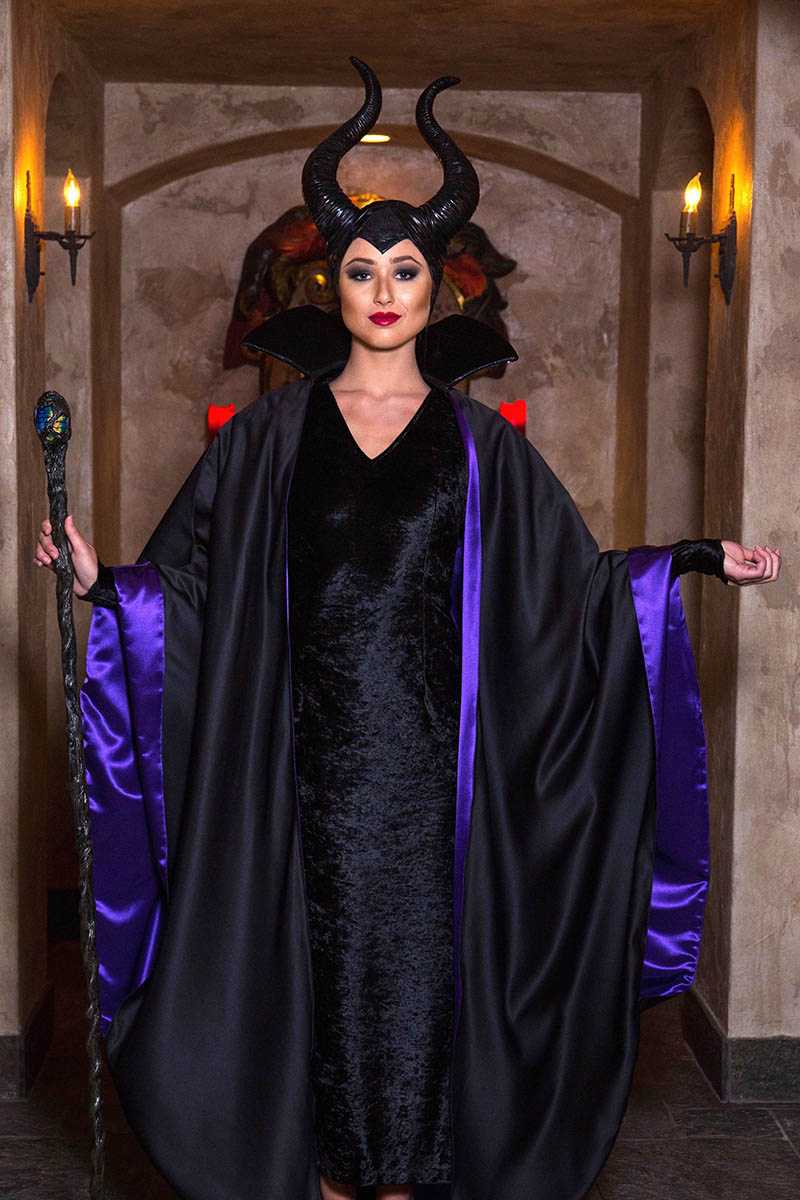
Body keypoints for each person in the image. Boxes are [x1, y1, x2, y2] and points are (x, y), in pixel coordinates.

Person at [35, 57, 781, 1200]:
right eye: (359, 270)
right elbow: (187, 593)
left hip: (439, 796)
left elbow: (573, 590)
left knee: (413, 1011)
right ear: (328, 287)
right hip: (298, 784)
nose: (382, 290)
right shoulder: (265, 438)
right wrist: (103, 583)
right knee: (317, 1010)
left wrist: (684, 562)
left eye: (404, 270)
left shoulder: (484, 449)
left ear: (438, 291)